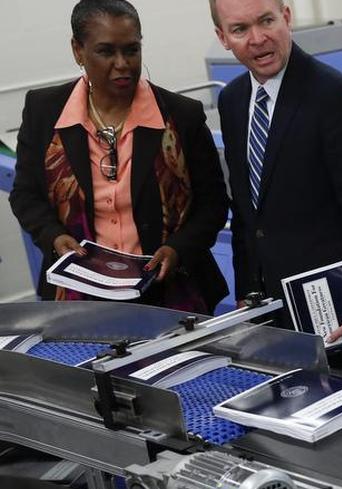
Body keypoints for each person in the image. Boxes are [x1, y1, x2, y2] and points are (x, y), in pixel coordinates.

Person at [210, 0, 342, 361]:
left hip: (341, 313)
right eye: (239, 29)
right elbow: (247, 210)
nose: (257, 39)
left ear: (286, 17)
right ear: (223, 38)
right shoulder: (233, 100)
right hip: (268, 310)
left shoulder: (334, 96)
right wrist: (247, 291)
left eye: (266, 21)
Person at [10, 0, 229, 313]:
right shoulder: (44, 111)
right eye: (106, 51)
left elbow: (213, 203)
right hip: (78, 296)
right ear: (78, 51)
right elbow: (26, 195)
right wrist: (53, 237)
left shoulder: (182, 117)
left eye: (131, 50)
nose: (122, 63)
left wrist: (178, 249)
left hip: (170, 294)